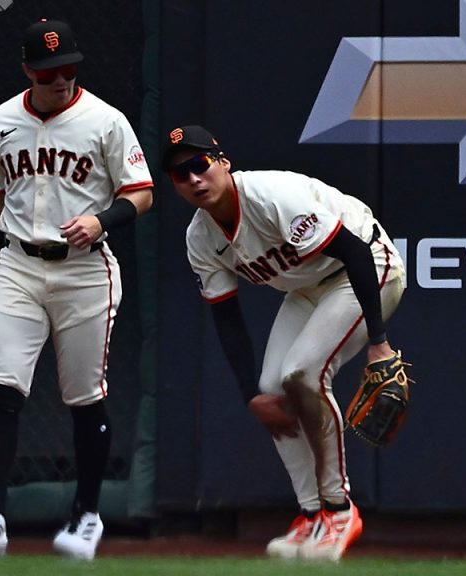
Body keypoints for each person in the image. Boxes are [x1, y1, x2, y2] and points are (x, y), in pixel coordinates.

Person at [161, 125, 406, 561]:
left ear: (223, 162)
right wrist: (248, 395)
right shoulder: (200, 238)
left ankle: (339, 509)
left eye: (200, 165)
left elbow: (351, 251)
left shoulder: (271, 195)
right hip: (309, 288)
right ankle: (312, 516)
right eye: (181, 175)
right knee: (273, 391)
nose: (194, 179)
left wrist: (380, 344)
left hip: (367, 264)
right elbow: (226, 315)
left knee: (304, 374)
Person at [0, 19, 153, 560]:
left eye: (69, 68)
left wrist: (102, 221)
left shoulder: (105, 121)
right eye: (49, 73)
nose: (61, 79)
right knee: (2, 390)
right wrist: (6, 256)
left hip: (85, 270)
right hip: (20, 267)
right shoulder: (2, 119)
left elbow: (141, 193)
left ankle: (86, 517)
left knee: (84, 398)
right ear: (28, 70)